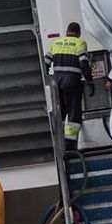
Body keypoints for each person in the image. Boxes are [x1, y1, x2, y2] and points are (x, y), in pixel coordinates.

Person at [44, 22, 92, 151]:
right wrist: (89, 80)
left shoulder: (55, 43)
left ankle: (58, 144)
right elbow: (84, 64)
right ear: (78, 33)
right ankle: (70, 146)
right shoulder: (80, 43)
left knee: (59, 113)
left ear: (67, 32)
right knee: (73, 115)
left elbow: (45, 63)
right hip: (72, 83)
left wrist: (48, 79)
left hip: (56, 84)